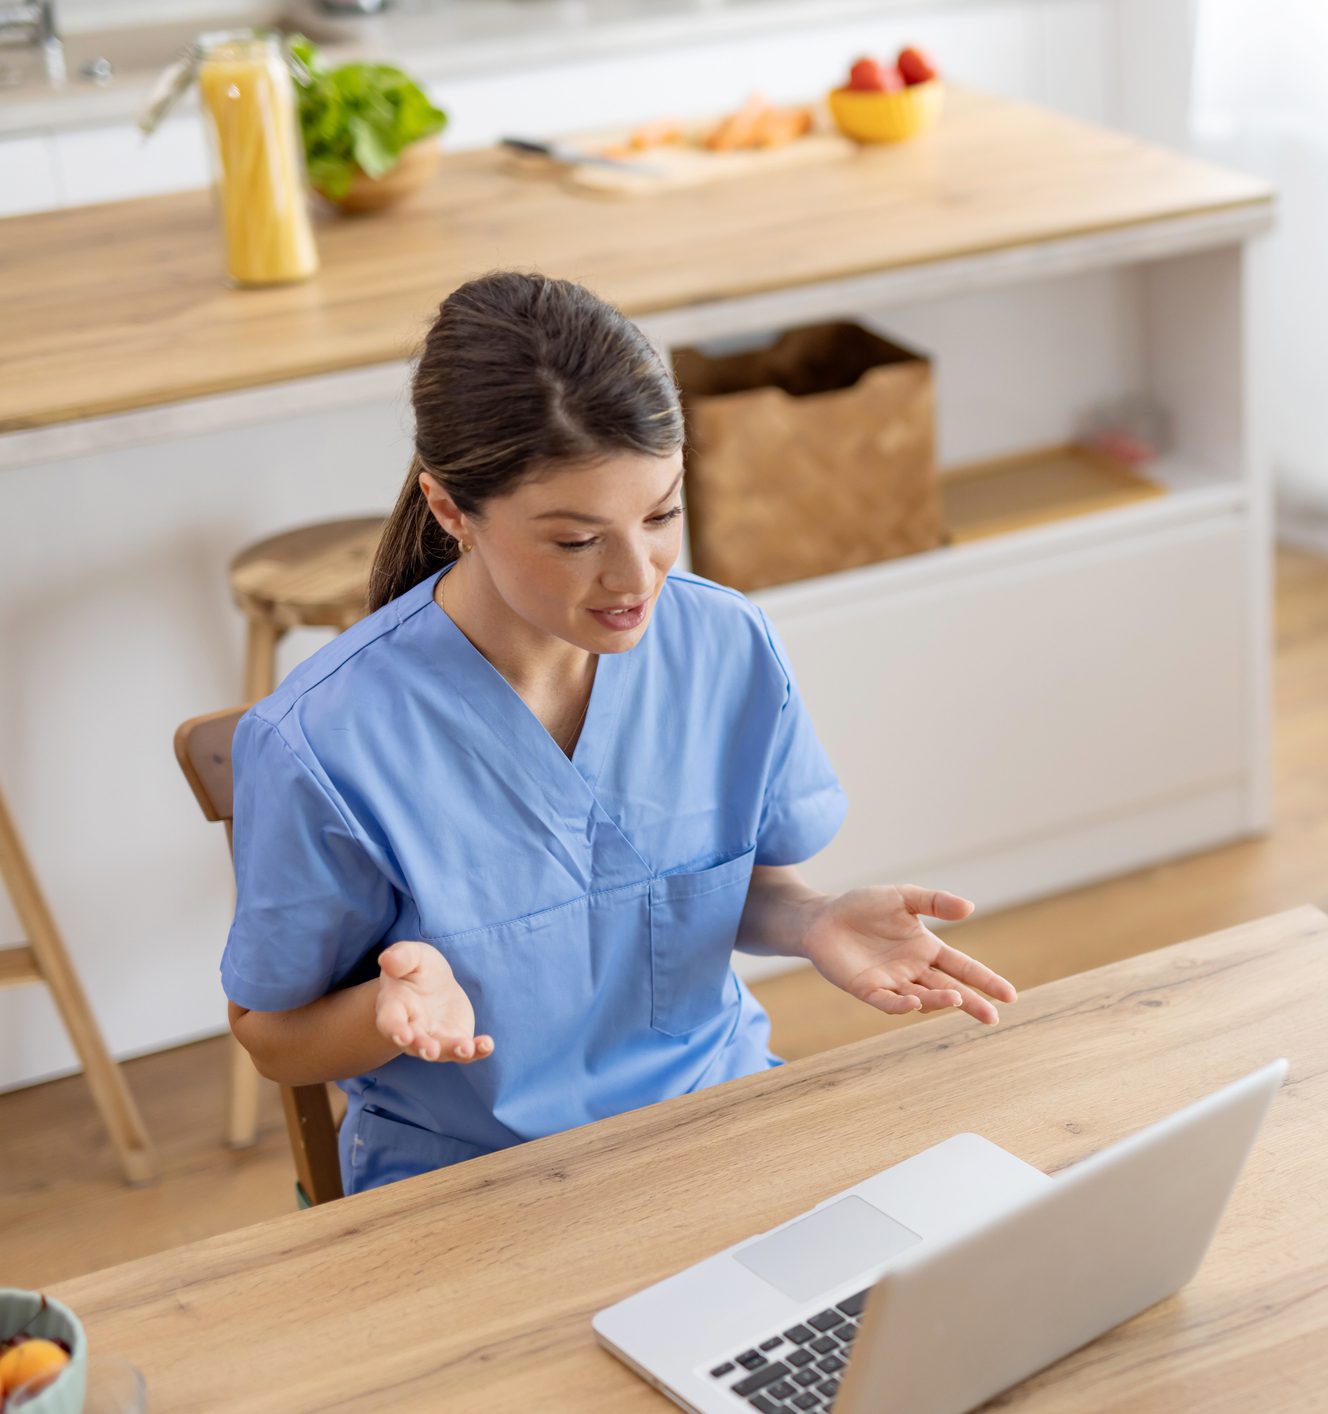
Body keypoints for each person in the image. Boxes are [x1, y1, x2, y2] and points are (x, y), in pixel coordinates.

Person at [221, 270, 1015, 1193]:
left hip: (718, 1125)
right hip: (477, 1186)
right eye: (575, 540)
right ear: (450, 512)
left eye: (663, 514)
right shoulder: (324, 742)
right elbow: (272, 1039)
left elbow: (686, 894)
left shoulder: (723, 644)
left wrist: (810, 919)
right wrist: (384, 1010)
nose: (637, 576)